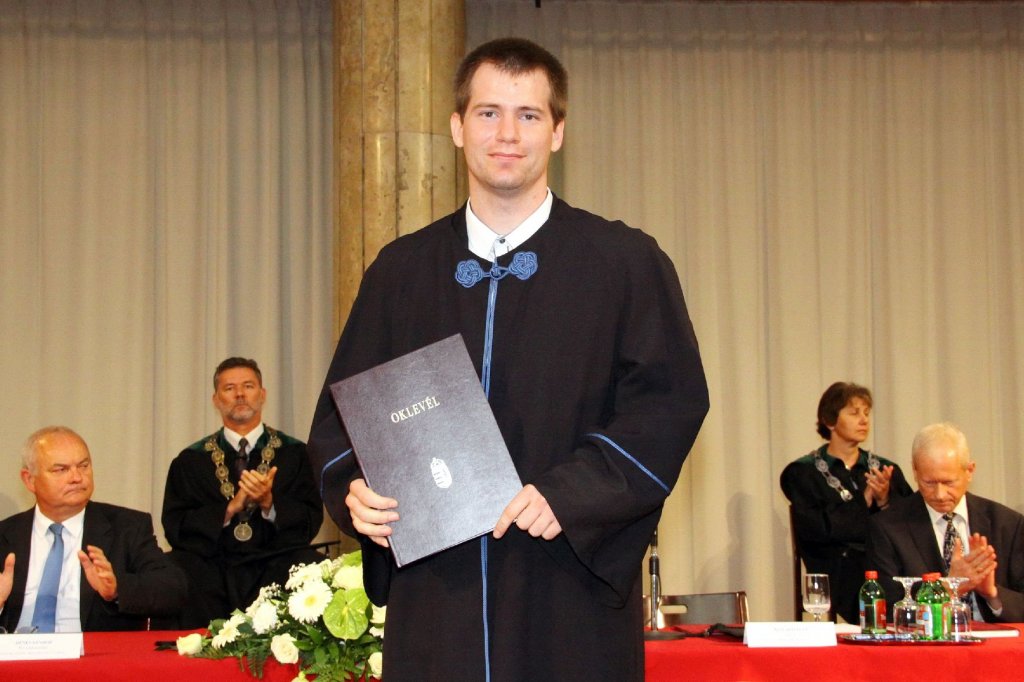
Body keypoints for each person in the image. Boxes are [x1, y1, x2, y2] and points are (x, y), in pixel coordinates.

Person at [307, 38, 709, 681]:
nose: (507, 135)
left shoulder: (624, 263)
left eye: (529, 115)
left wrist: (574, 492)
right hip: (436, 597)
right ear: (457, 127)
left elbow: (668, 403)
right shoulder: (400, 271)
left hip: (566, 588)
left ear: (558, 133)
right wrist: (354, 488)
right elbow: (341, 417)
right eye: (489, 113)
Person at [161, 357, 324, 628]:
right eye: (229, 388)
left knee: (309, 564)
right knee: (177, 567)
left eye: (248, 386)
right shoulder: (190, 461)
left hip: (274, 561)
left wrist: (270, 503)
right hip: (213, 565)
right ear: (216, 399)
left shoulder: (295, 454)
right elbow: (175, 526)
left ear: (262, 394)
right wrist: (228, 509)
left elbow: (311, 518)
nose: (239, 394)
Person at [0, 426, 186, 632]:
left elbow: (173, 587)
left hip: (91, 649)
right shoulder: (6, 534)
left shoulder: (126, 527)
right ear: (29, 479)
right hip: (13, 648)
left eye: (83, 466)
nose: (77, 477)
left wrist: (117, 588)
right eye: (61, 469)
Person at [781, 381, 912, 624]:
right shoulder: (803, 473)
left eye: (866, 413)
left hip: (884, 561)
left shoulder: (886, 469)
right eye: (854, 413)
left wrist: (885, 500)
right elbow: (815, 529)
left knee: (908, 572)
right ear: (830, 421)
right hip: (838, 565)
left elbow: (909, 523)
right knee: (873, 581)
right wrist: (864, 501)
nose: (863, 420)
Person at [866, 422, 1024, 621]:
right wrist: (948, 587)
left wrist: (992, 594)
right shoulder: (887, 528)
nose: (939, 495)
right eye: (929, 483)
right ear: (915, 471)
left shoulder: (1008, 524)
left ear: (970, 471)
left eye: (949, 482)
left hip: (995, 639)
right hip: (928, 640)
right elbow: (884, 613)